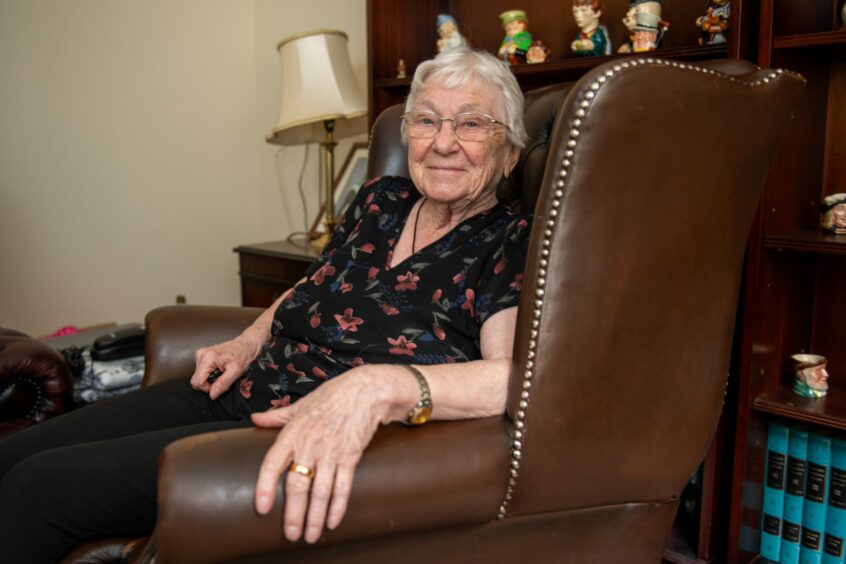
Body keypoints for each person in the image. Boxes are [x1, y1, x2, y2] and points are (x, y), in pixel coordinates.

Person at [0, 47, 532, 562]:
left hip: (297, 426)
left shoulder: (507, 240)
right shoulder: (382, 200)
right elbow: (312, 285)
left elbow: (511, 377)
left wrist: (384, 384)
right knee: (13, 454)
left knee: (37, 486)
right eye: (426, 121)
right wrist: (248, 340)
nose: (442, 142)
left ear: (509, 152)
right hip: (239, 388)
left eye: (470, 124)